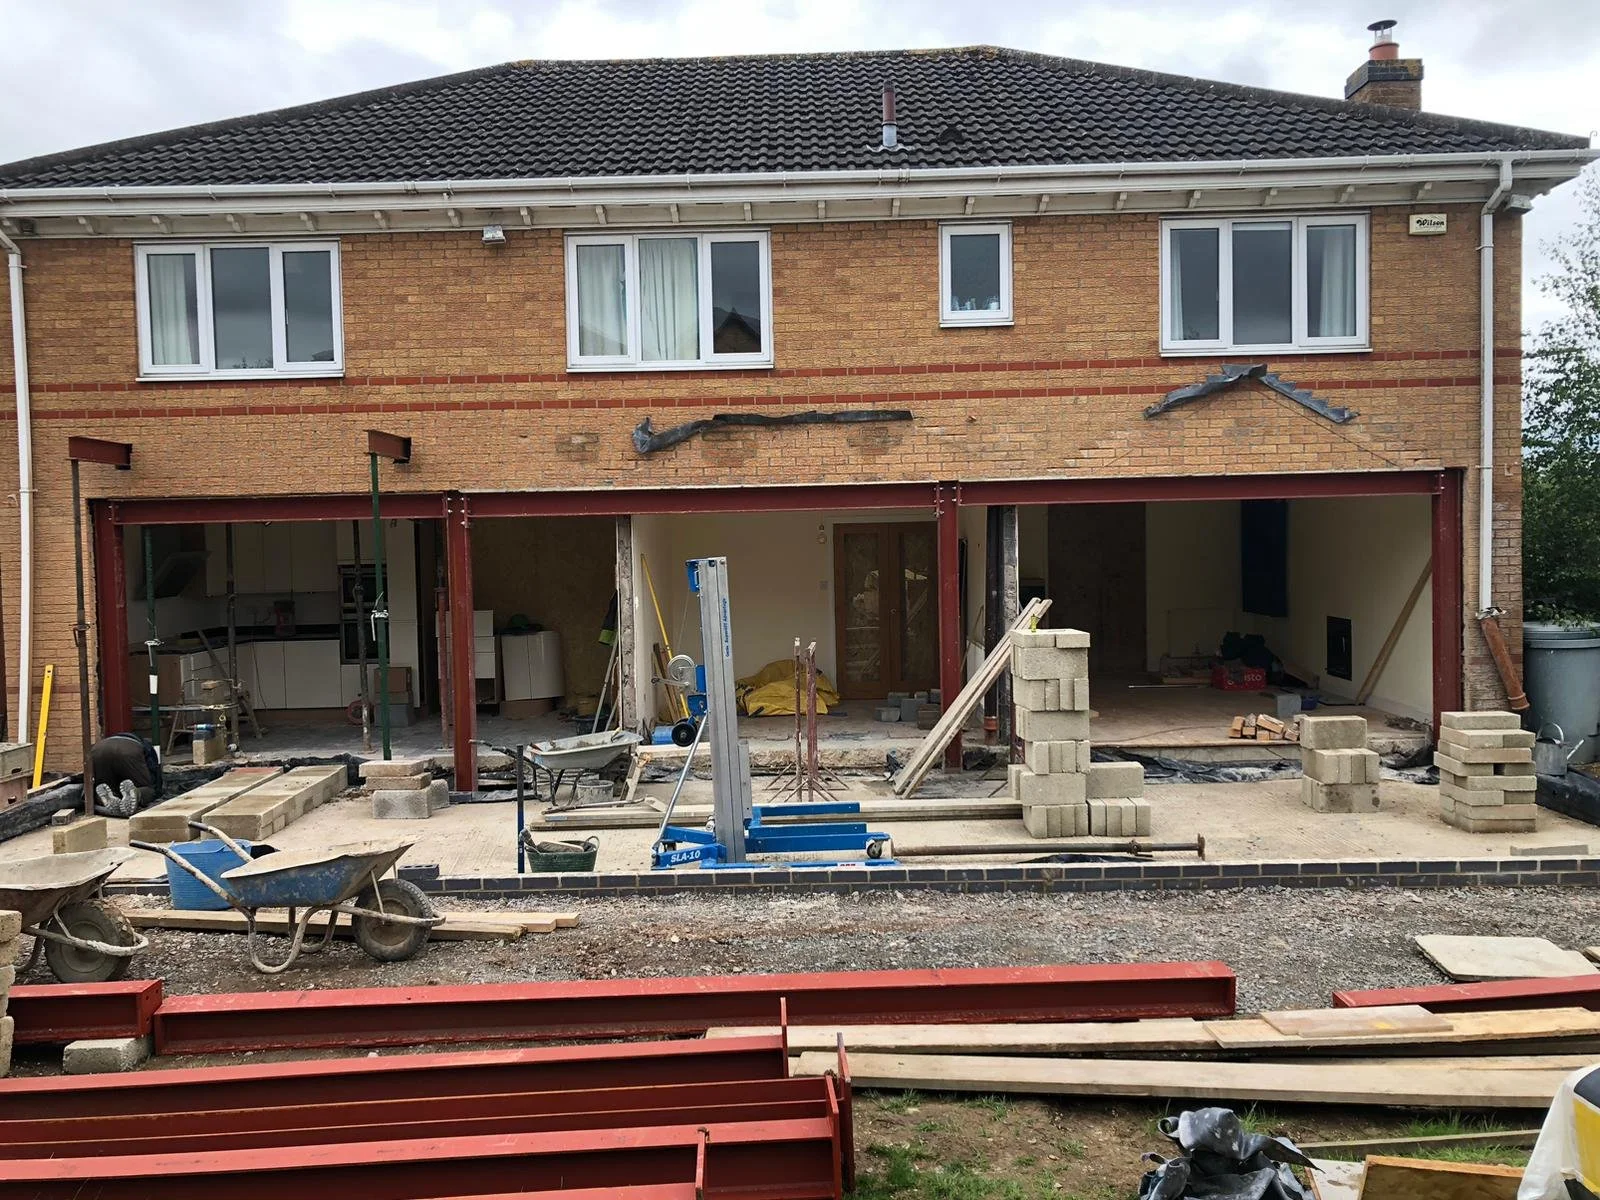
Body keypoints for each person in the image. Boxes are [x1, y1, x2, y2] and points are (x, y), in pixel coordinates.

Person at [90, 732, 163, 818]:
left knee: (106, 786)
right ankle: (137, 793)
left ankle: (101, 798)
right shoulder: (147, 745)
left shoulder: (106, 740)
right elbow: (154, 770)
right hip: (129, 750)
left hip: (99, 749)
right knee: (148, 789)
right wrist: (156, 789)